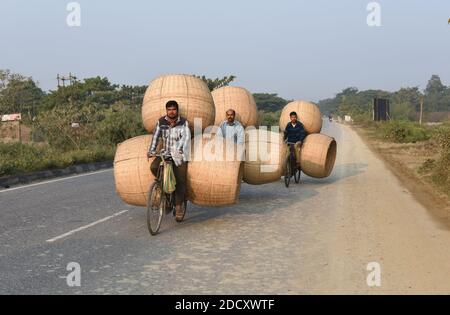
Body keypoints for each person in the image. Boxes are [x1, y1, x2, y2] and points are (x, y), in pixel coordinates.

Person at [148, 100, 190, 221]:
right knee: (154, 167)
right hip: (165, 153)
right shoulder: (161, 122)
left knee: (180, 180)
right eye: (169, 109)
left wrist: (181, 150)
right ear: (166, 110)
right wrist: (151, 151)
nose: (172, 112)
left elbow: (186, 138)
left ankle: (178, 206)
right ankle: (161, 189)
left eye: (174, 109)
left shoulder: (183, 122)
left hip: (178, 155)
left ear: (177, 110)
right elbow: (155, 137)